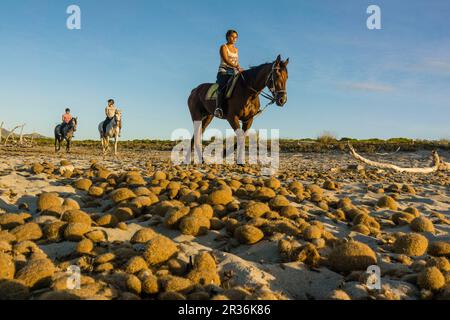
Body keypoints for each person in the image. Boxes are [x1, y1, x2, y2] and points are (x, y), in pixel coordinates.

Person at [214, 29, 244, 118]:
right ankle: (218, 108)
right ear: (227, 37)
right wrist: (236, 66)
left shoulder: (236, 49)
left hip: (234, 71)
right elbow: (226, 60)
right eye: (232, 36)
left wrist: (239, 67)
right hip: (224, 71)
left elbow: (236, 61)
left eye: (236, 37)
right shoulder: (223, 47)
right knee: (222, 86)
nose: (234, 38)